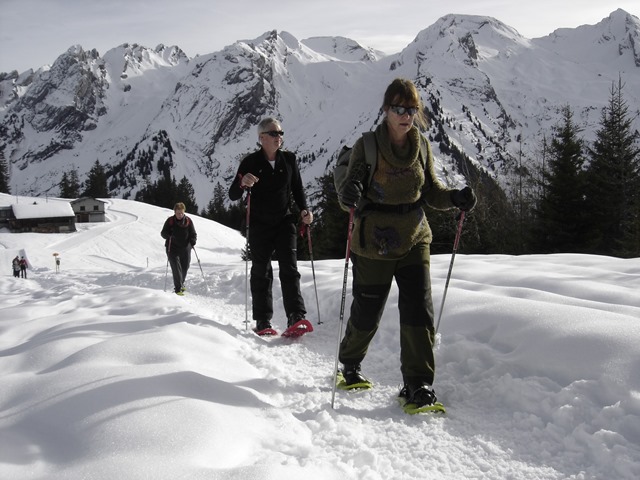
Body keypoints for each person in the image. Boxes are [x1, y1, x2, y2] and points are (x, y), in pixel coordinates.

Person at [336, 78, 477, 407]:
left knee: (418, 310)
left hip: (415, 237)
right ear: (386, 110)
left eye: (411, 109)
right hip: (374, 244)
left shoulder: (422, 145)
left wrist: (455, 197)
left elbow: (431, 192)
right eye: (398, 108)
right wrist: (350, 195)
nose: (405, 115)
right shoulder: (368, 146)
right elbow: (350, 194)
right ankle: (350, 363)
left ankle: (418, 384)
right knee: (367, 312)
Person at [229, 117, 313, 332]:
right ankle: (263, 321)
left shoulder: (290, 160)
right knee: (261, 271)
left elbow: (297, 189)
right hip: (259, 224)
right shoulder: (250, 163)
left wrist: (304, 210)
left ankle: (296, 316)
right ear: (262, 138)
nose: (279, 137)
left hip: (285, 221)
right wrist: (242, 182)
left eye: (281, 133)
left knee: (290, 268)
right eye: (274, 133)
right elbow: (233, 194)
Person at [161, 202, 197, 295]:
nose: (180, 215)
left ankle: (181, 284)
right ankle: (178, 289)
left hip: (185, 248)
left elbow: (193, 233)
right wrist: (168, 235)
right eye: (178, 213)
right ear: (175, 212)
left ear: (184, 212)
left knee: (185, 267)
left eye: (181, 213)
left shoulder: (188, 221)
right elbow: (163, 233)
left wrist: (193, 240)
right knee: (176, 269)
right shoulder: (170, 221)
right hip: (172, 248)